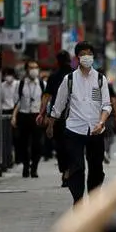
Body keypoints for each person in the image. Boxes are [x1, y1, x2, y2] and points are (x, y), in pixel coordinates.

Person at [47, 41, 112, 203]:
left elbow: (106, 105)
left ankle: (94, 198)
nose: (86, 57)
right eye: (83, 54)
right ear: (77, 58)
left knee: (96, 167)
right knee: (77, 166)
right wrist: (50, 124)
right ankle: (78, 199)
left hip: (96, 130)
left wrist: (102, 122)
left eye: (89, 54)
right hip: (74, 129)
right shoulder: (68, 80)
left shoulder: (100, 79)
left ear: (93, 56)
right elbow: (58, 105)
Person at [39, 50, 74, 186]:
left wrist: (41, 113)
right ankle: (69, 171)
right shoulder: (75, 75)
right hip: (74, 116)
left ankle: (65, 171)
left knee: (60, 146)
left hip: (57, 117)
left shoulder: (53, 76)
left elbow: (46, 97)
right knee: (72, 145)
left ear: (57, 61)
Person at [11, 60, 45, 178]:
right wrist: (14, 117)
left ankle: (34, 167)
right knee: (23, 144)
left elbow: (45, 102)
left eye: (36, 67)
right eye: (31, 68)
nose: (34, 70)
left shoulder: (42, 84)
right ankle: (26, 166)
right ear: (26, 70)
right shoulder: (20, 84)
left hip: (37, 116)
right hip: (23, 115)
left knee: (38, 144)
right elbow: (17, 102)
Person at [97, 68, 116, 164]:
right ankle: (106, 151)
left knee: (99, 134)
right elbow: (114, 101)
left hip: (95, 113)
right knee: (108, 134)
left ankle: (102, 152)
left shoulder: (92, 84)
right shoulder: (108, 85)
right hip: (108, 113)